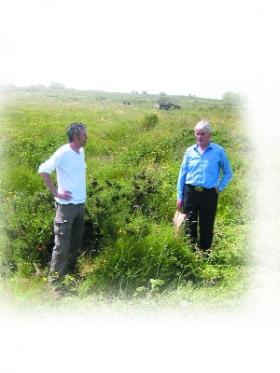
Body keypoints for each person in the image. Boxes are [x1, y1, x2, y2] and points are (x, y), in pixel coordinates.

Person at [38, 122, 88, 286]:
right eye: (84, 135)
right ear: (76, 137)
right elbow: (43, 170)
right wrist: (56, 193)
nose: (86, 137)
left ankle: (69, 274)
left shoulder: (81, 151)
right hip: (66, 208)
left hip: (80, 205)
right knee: (61, 246)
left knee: (76, 242)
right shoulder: (63, 152)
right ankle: (54, 282)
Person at [176, 120, 232, 252]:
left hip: (209, 194)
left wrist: (219, 187)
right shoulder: (189, 151)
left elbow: (228, 173)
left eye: (203, 134)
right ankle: (190, 251)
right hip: (190, 192)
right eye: (197, 134)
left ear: (209, 135)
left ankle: (205, 252)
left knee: (207, 224)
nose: (199, 136)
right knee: (190, 223)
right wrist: (180, 195)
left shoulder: (219, 151)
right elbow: (182, 174)